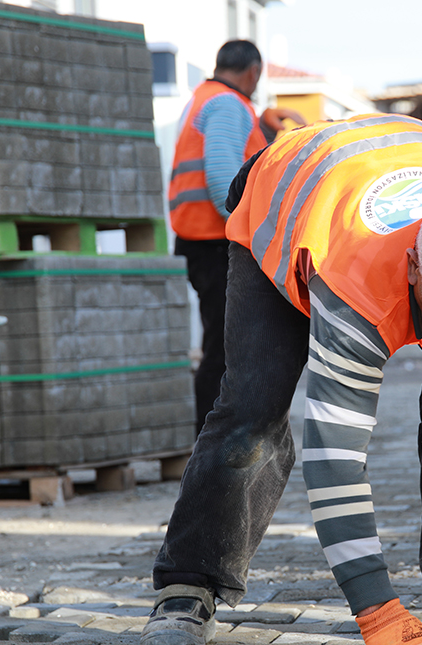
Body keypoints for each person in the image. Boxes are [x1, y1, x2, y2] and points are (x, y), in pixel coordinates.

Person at [142, 113, 422, 645]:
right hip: (284, 199)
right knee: (251, 410)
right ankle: (188, 581)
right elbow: (334, 463)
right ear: (414, 269)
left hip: (387, 162)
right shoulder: (355, 289)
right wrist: (376, 608)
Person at [168, 40, 305, 437]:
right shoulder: (227, 106)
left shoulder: (207, 99)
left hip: (200, 238)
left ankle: (213, 441)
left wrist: (262, 126)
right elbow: (221, 181)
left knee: (223, 345)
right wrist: (261, 238)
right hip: (216, 243)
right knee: (225, 350)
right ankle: (210, 446)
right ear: (254, 73)